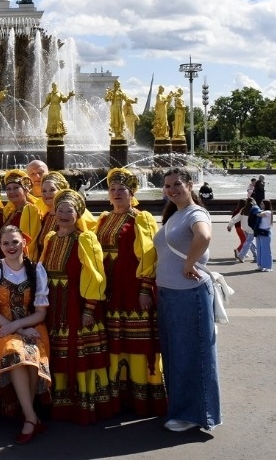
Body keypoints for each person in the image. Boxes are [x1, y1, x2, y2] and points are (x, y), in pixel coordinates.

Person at [94, 168, 166, 416]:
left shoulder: (141, 219)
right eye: (112, 190)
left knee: (137, 343)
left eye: (121, 190)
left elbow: (149, 255)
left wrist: (145, 288)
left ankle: (143, 396)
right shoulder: (104, 219)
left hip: (133, 289)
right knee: (115, 341)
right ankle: (118, 395)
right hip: (110, 290)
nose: (116, 194)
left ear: (132, 193)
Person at [154, 166, 220, 432]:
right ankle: (180, 408)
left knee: (193, 354)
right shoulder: (175, 214)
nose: (171, 189)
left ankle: (197, 415)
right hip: (169, 294)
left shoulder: (195, 213)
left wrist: (189, 263)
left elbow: (204, 236)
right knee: (175, 354)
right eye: (167, 185)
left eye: (177, 184)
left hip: (188, 293)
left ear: (190, 185)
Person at [39, 189, 113, 424]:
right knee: (57, 352)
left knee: (79, 353)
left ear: (78, 213)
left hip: (76, 304)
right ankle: (60, 404)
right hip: (54, 305)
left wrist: (89, 308)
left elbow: (96, 275)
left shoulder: (85, 239)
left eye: (68, 211)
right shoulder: (50, 238)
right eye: (59, 210)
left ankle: (83, 404)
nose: (63, 215)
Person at [0, 226, 51, 445]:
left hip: (31, 324)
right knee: (16, 353)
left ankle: (28, 415)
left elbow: (40, 313)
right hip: (0, 327)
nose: (11, 247)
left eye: (15, 242)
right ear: (0, 246)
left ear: (24, 243)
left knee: (32, 355)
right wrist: (17, 329)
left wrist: (20, 326)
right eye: (6, 243)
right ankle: (31, 418)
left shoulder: (36, 269)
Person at [1, 170, 41, 257]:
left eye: (16, 188)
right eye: (8, 189)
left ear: (25, 190)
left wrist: (25, 262)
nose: (12, 192)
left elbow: (29, 242)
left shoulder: (29, 209)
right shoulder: (13, 212)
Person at [256, 200, 274, 272]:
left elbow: (258, 214)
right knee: (259, 249)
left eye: (262, 204)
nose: (260, 205)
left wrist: (254, 207)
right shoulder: (262, 211)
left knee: (266, 250)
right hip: (260, 231)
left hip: (265, 231)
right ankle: (260, 265)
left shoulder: (268, 212)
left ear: (266, 205)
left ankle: (268, 266)